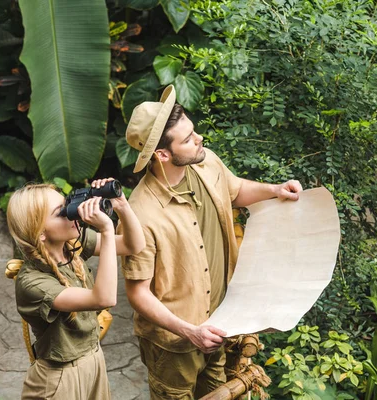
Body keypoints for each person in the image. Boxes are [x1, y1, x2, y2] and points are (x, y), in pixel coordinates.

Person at [121, 85, 303, 399]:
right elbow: (137, 293)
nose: (199, 138)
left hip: (218, 326)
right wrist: (190, 331)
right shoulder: (141, 212)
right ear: (163, 154)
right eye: (188, 138)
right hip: (174, 344)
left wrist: (275, 190)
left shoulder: (205, 163)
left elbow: (234, 191)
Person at [6, 179, 145, 400]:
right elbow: (104, 298)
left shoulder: (71, 245)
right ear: (40, 233)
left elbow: (133, 245)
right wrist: (106, 230)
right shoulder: (31, 283)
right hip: (59, 378)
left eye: (67, 204)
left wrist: (121, 205)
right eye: (60, 212)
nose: (74, 213)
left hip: (94, 361)